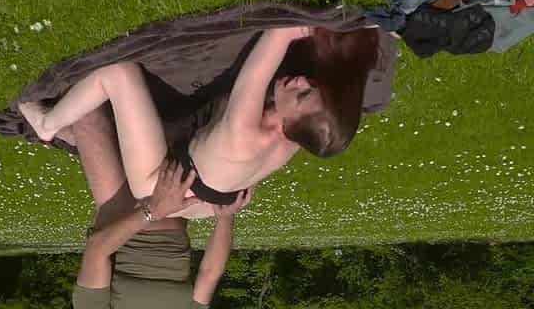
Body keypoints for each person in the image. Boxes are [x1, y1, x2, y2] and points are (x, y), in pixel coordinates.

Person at [20, 25, 380, 219]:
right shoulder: (304, 135)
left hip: (159, 177)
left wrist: (312, 25)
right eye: (310, 85)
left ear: (291, 125)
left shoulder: (243, 132)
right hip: (205, 191)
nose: (299, 82)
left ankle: (47, 125)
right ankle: (76, 132)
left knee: (119, 75)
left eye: (302, 95)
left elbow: (279, 35)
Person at [66, 108, 252, 308]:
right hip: (174, 207)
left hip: (120, 212)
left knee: (88, 118)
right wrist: (224, 219)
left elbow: (97, 250)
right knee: (235, 182)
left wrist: (152, 211)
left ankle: (65, 130)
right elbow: (210, 273)